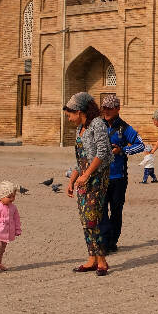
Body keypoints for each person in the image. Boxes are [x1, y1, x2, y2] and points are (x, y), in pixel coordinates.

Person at [63, 92, 111, 275]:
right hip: (84, 178)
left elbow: (103, 152)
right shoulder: (80, 128)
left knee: (93, 219)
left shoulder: (97, 124)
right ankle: (92, 259)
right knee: (85, 220)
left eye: (70, 115)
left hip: (97, 178)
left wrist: (87, 174)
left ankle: (102, 261)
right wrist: (73, 179)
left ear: (79, 111)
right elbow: (81, 158)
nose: (69, 119)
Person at [98, 93, 145, 254]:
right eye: (104, 108)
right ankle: (104, 242)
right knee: (102, 211)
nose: (106, 111)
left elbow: (140, 145)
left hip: (118, 177)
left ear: (117, 109)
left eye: (110, 108)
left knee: (116, 211)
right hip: (101, 176)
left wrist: (122, 150)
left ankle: (112, 241)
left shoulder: (124, 128)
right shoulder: (98, 125)